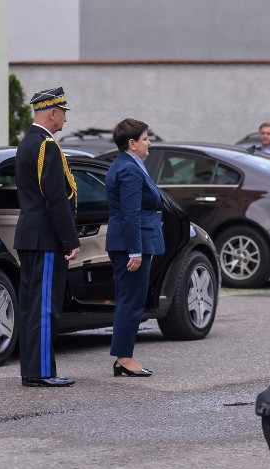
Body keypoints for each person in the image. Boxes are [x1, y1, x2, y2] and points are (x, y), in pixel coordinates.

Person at [15, 87, 80, 387]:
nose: (65, 119)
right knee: (44, 308)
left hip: (30, 237)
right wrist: (71, 240)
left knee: (31, 307)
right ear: (52, 112)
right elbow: (55, 199)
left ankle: (33, 370)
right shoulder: (46, 146)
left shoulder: (27, 143)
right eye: (63, 113)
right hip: (46, 240)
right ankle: (41, 372)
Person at [105, 118, 165, 377]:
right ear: (132, 143)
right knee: (131, 301)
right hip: (131, 243)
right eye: (144, 138)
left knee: (129, 300)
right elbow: (130, 214)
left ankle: (124, 356)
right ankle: (124, 357)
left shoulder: (129, 164)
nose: (148, 142)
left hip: (130, 241)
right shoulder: (129, 169)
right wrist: (135, 251)